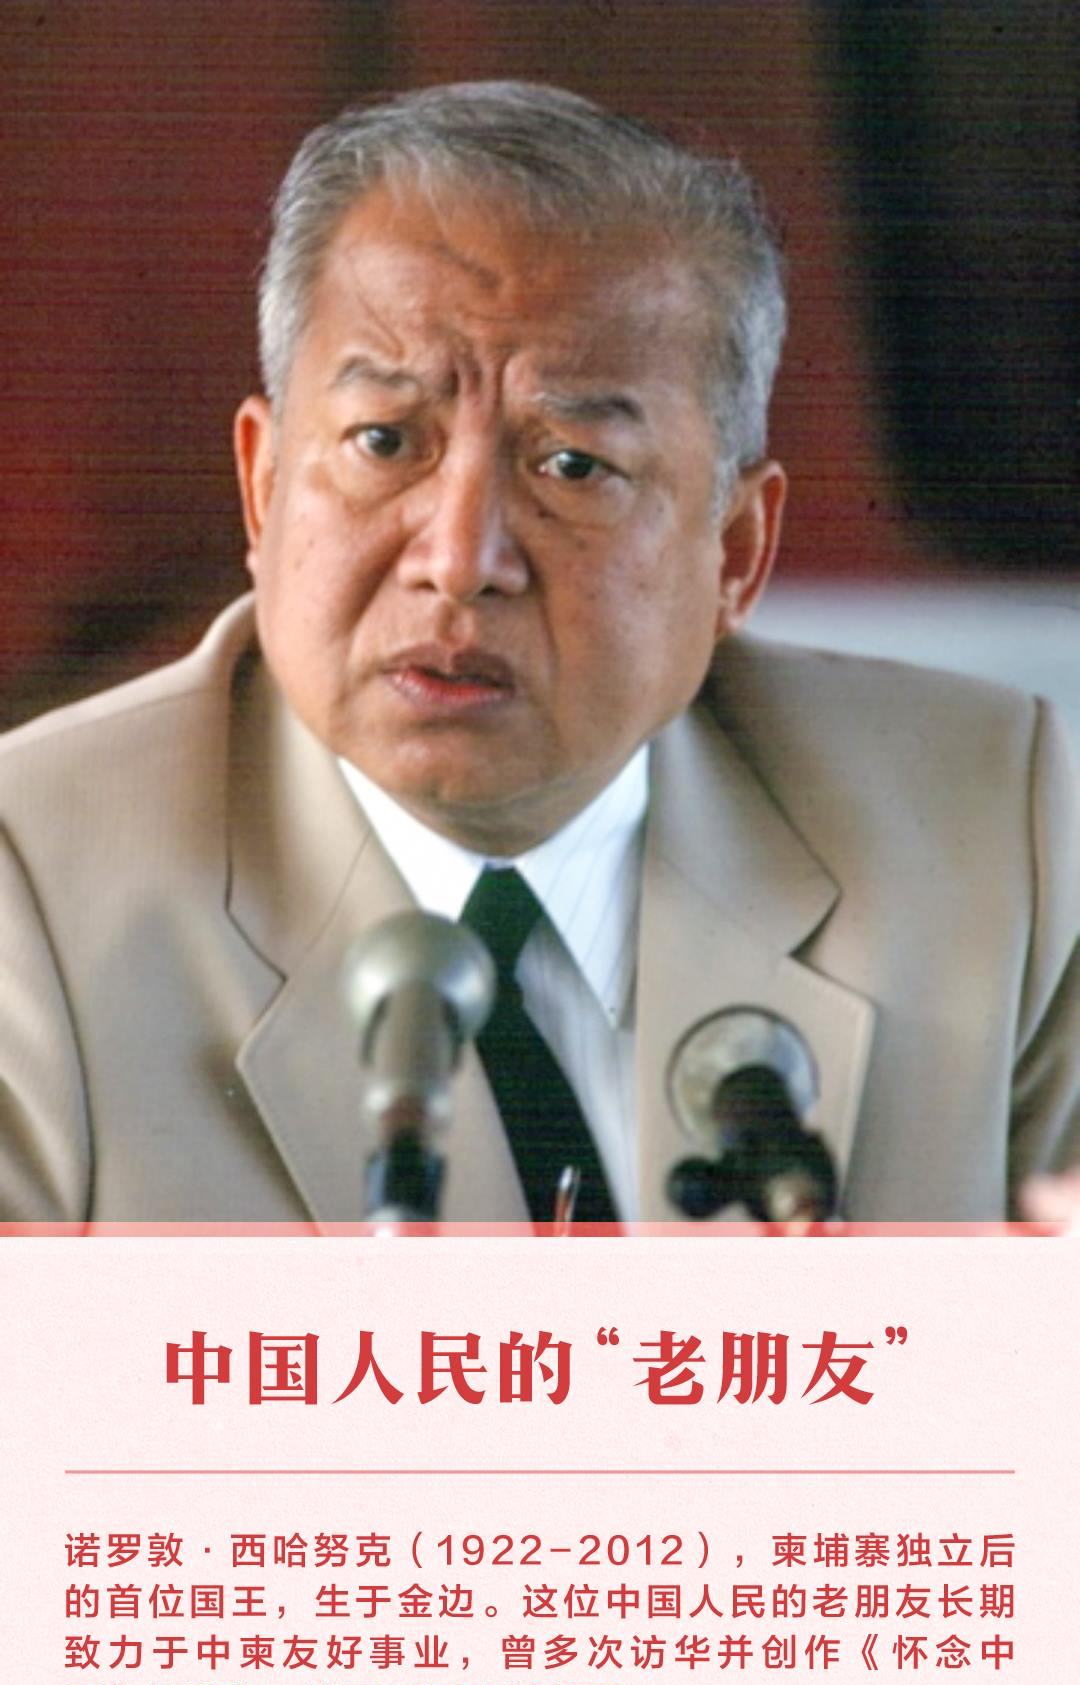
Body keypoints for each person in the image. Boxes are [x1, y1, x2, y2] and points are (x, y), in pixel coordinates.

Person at [0, 81, 1075, 1224]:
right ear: (263, 490)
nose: (460, 561)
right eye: (384, 441)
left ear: (735, 551)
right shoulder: (34, 890)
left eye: (572, 465)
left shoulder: (988, 830)